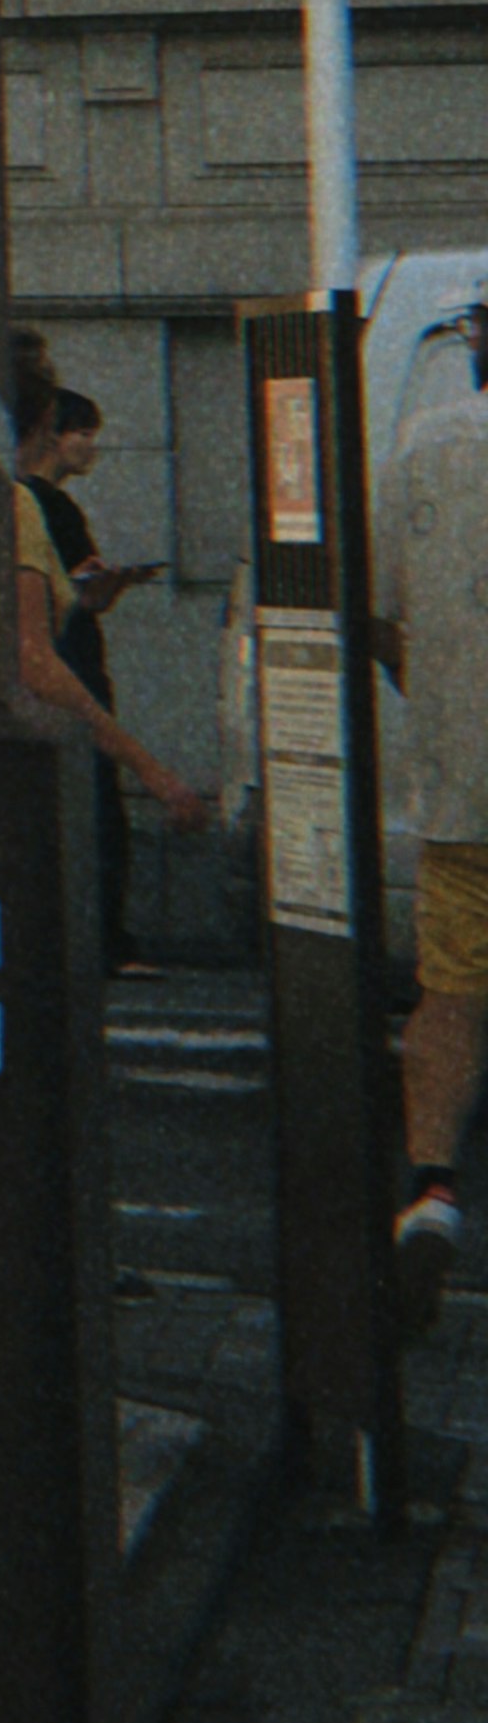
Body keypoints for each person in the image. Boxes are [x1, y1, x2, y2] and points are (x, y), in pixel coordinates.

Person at [379, 291, 488, 1315]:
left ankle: (431, 1190)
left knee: (450, 989)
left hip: (466, 783)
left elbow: (376, 611)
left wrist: (443, 692)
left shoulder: (424, 442)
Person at [12, 383, 207, 954]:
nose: (92, 447)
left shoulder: (20, 500)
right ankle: (102, 939)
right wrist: (155, 772)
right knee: (93, 799)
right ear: (49, 424)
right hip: (66, 668)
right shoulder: (29, 504)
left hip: (50, 669)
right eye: (84, 432)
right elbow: (35, 648)